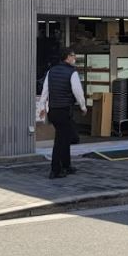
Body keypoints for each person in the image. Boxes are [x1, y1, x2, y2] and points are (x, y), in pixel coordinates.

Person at [37, 47, 87, 178]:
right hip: (64, 110)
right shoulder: (72, 73)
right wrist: (83, 107)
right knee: (60, 140)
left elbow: (45, 91)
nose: (75, 58)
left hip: (53, 110)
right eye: (73, 56)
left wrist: (42, 107)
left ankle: (66, 165)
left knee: (64, 137)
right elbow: (78, 92)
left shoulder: (51, 71)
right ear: (68, 57)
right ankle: (55, 170)